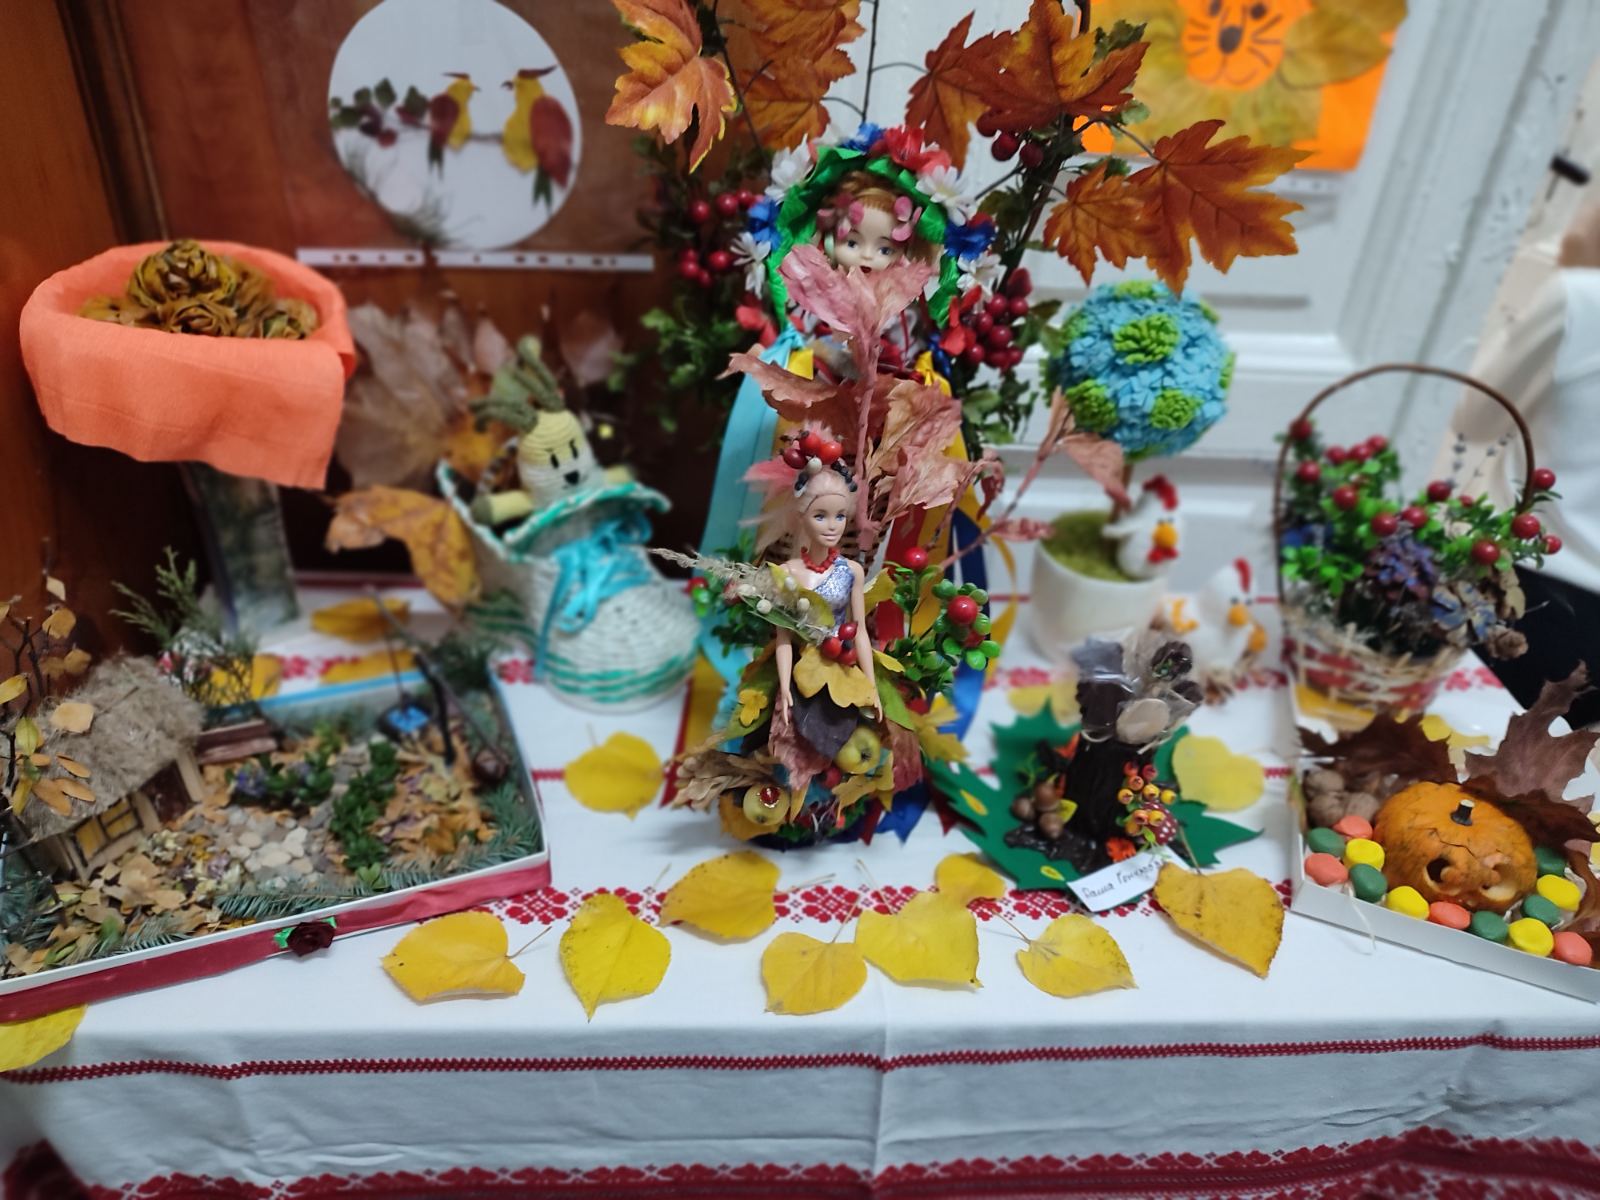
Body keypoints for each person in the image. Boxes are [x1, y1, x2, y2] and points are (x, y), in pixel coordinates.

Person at [1441, 198, 1600, 722]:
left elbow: (1475, 415)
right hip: (1589, 645)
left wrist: (1566, 268)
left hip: (1517, 599)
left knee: (1430, 758)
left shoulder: (1579, 298)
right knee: (1543, 774)